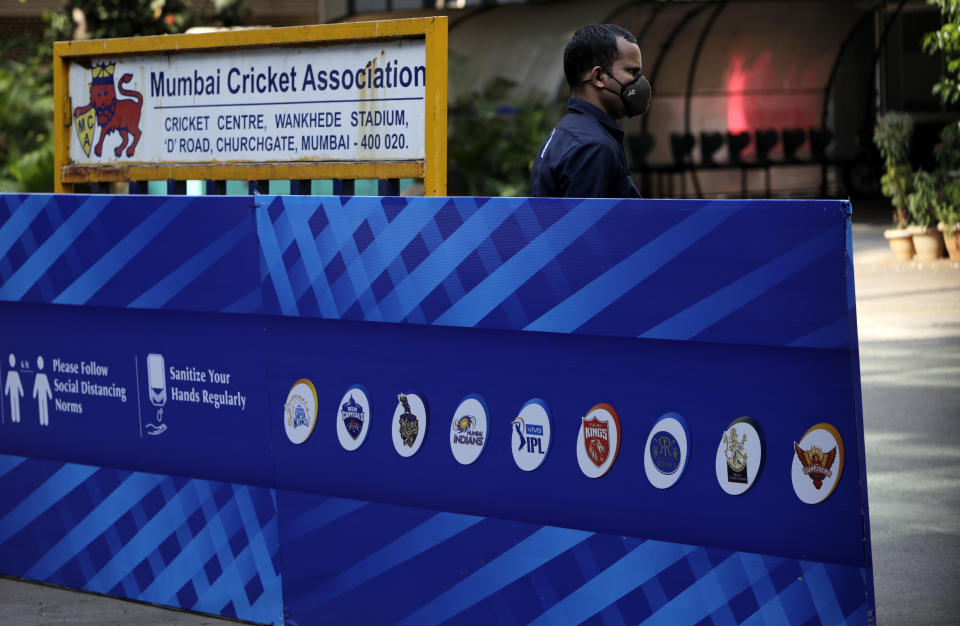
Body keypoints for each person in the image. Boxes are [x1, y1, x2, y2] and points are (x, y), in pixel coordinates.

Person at [531, 24, 650, 198]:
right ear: (598, 77)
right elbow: (589, 224)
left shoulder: (566, 133)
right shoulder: (593, 147)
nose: (639, 81)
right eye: (632, 71)